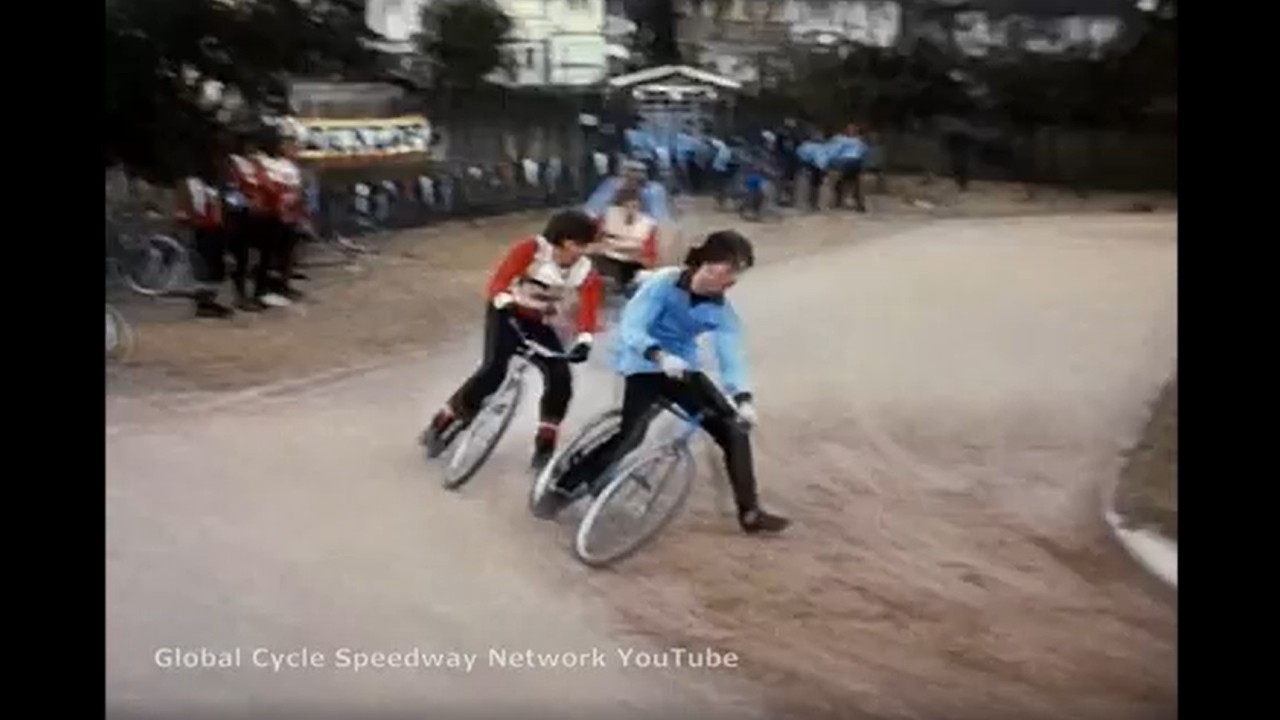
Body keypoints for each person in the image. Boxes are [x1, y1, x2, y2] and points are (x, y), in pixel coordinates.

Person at [544, 230, 790, 535]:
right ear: (704, 264)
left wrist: (743, 398)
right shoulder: (663, 284)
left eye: (732, 275)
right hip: (640, 361)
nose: (725, 281)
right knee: (631, 434)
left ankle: (750, 512)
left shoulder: (721, 312)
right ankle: (561, 490)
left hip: (681, 368)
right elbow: (632, 328)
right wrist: (658, 355)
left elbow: (731, 356)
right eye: (722, 271)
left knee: (733, 429)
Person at [420, 210, 604, 471]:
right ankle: (442, 422)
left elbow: (589, 308)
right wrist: (504, 301)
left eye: (584, 246)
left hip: (539, 321)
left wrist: (585, 339)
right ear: (562, 240)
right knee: (493, 370)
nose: (580, 252)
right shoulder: (531, 249)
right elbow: (500, 280)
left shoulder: (585, 270)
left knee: (561, 375)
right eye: (577, 245)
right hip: (506, 312)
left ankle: (545, 442)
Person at [175, 166, 235, 318]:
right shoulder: (188, 183)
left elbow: (218, 208)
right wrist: (192, 222)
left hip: (215, 229)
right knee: (203, 268)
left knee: (216, 269)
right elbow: (182, 211)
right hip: (200, 230)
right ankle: (203, 304)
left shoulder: (211, 187)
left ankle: (210, 301)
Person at [591, 187, 659, 294]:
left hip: (635, 261)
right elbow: (596, 239)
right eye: (625, 207)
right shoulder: (607, 218)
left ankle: (622, 285)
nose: (630, 210)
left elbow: (648, 251)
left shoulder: (648, 224)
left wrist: (619, 246)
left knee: (624, 267)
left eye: (634, 206)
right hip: (609, 255)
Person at [584, 158, 671, 224]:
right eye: (633, 170)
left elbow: (658, 217)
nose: (637, 174)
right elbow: (593, 210)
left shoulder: (654, 190)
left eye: (641, 171)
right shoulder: (612, 184)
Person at [827, 123, 868, 212]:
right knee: (854, 183)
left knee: (841, 182)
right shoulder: (859, 141)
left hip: (844, 162)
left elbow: (833, 151)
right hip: (854, 162)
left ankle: (836, 203)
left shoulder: (839, 139)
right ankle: (860, 205)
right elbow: (864, 153)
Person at [795, 130, 830, 212]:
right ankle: (818, 205)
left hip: (804, 167)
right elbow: (821, 161)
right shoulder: (820, 147)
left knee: (805, 187)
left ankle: (804, 204)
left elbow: (798, 155)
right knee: (819, 187)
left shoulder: (803, 145)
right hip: (814, 168)